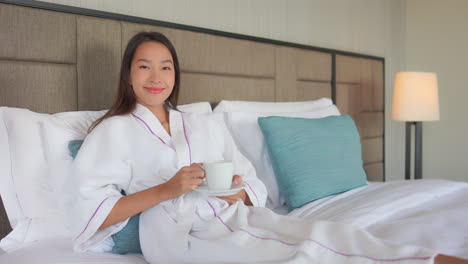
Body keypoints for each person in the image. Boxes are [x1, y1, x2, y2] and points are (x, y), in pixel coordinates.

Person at [66, 31, 468, 264]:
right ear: (129, 74)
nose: (156, 77)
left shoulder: (203, 123)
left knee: (317, 234)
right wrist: (169, 190)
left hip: (230, 214)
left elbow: (250, 183)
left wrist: (237, 189)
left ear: (176, 74)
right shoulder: (113, 131)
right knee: (304, 251)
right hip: (173, 234)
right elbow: (91, 211)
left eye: (165, 66)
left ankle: (428, 258)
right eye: (144, 66)